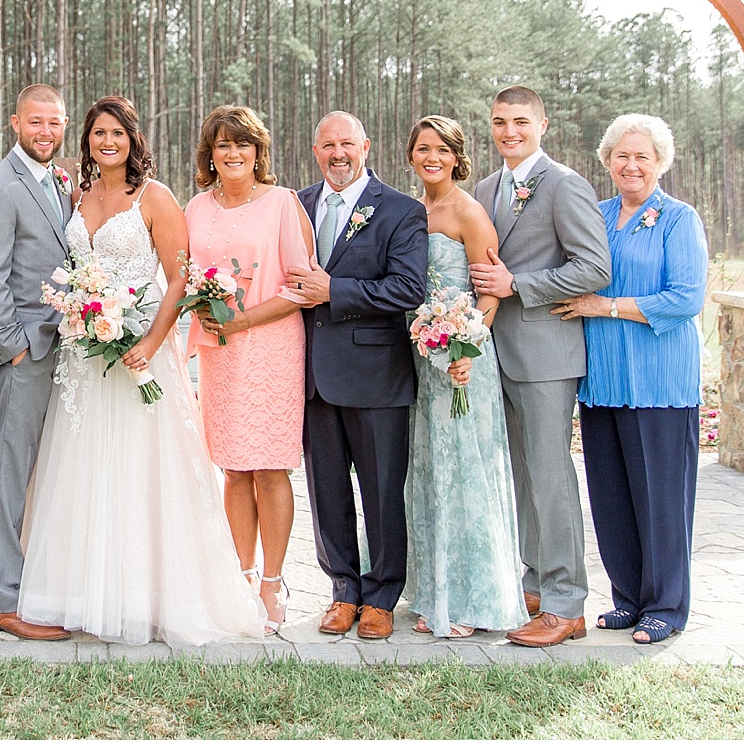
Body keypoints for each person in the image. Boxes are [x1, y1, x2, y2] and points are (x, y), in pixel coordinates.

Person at [19, 96, 265, 645]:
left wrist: (152, 342)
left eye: (118, 133)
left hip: (142, 353)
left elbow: (178, 278)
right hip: (86, 356)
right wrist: (84, 315)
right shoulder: (76, 195)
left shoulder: (154, 198)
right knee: (82, 470)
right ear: (86, 141)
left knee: (142, 471)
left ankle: (149, 596)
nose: (108, 142)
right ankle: (81, 594)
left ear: (134, 140)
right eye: (98, 133)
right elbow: (76, 271)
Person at [552, 114, 707, 645]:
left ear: (660, 162)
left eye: (642, 156)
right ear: (607, 161)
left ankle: (666, 605)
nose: (631, 165)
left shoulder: (678, 220)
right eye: (622, 155)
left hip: (661, 386)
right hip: (604, 385)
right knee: (612, 496)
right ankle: (629, 598)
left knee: (661, 499)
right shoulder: (595, 216)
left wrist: (607, 306)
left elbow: (685, 298)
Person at [467, 86, 612, 648]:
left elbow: (593, 268)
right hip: (495, 351)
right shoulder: (485, 188)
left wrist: (519, 286)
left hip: (548, 353)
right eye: (500, 122)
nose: (510, 132)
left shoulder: (564, 185)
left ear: (543, 124)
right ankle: (534, 584)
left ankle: (566, 603)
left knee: (550, 476)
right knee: (522, 476)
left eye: (521, 122)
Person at [283, 111, 428, 641]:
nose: (337, 153)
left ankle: (382, 596)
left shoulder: (400, 211)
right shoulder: (294, 205)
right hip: (313, 375)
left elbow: (408, 289)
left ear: (365, 146)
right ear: (315, 150)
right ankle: (343, 590)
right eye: (327, 145)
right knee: (326, 492)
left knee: (382, 490)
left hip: (376, 373)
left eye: (347, 143)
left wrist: (334, 292)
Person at [183, 105, 316, 634]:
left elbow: (302, 285)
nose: (232, 153)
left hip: (272, 347)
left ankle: (273, 581)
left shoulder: (282, 204)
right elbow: (182, 274)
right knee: (235, 467)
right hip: (219, 352)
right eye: (222, 145)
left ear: (258, 151)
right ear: (209, 155)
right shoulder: (195, 207)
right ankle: (239, 576)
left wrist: (239, 321)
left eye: (242, 144)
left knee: (270, 467)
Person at [402, 115, 528, 639]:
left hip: (460, 361)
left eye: (442, 150)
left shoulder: (469, 212)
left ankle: (473, 600)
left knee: (465, 472)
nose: (432, 158)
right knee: (427, 472)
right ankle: (433, 590)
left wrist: (467, 347)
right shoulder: (411, 211)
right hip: (418, 360)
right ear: (411, 156)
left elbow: (491, 289)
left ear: (457, 157)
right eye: (423, 148)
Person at [0, 83, 76, 641]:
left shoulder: (58, 183)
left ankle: (37, 581)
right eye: (36, 123)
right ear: (15, 123)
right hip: (21, 353)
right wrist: (13, 346)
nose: (46, 132)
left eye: (54, 123)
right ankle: (2, 597)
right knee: (11, 469)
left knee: (45, 469)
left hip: (63, 348)